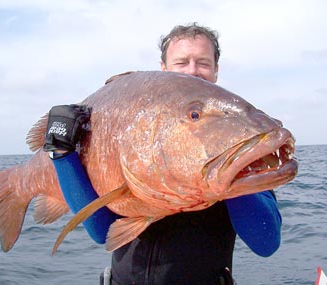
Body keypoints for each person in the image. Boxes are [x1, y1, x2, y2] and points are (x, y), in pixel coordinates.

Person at [43, 23, 282, 285]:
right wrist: (63, 156)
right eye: (182, 62)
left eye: (203, 62)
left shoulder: (233, 135)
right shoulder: (140, 124)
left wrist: (232, 178)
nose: (193, 70)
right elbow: (102, 231)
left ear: (215, 70)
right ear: (164, 68)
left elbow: (266, 241)